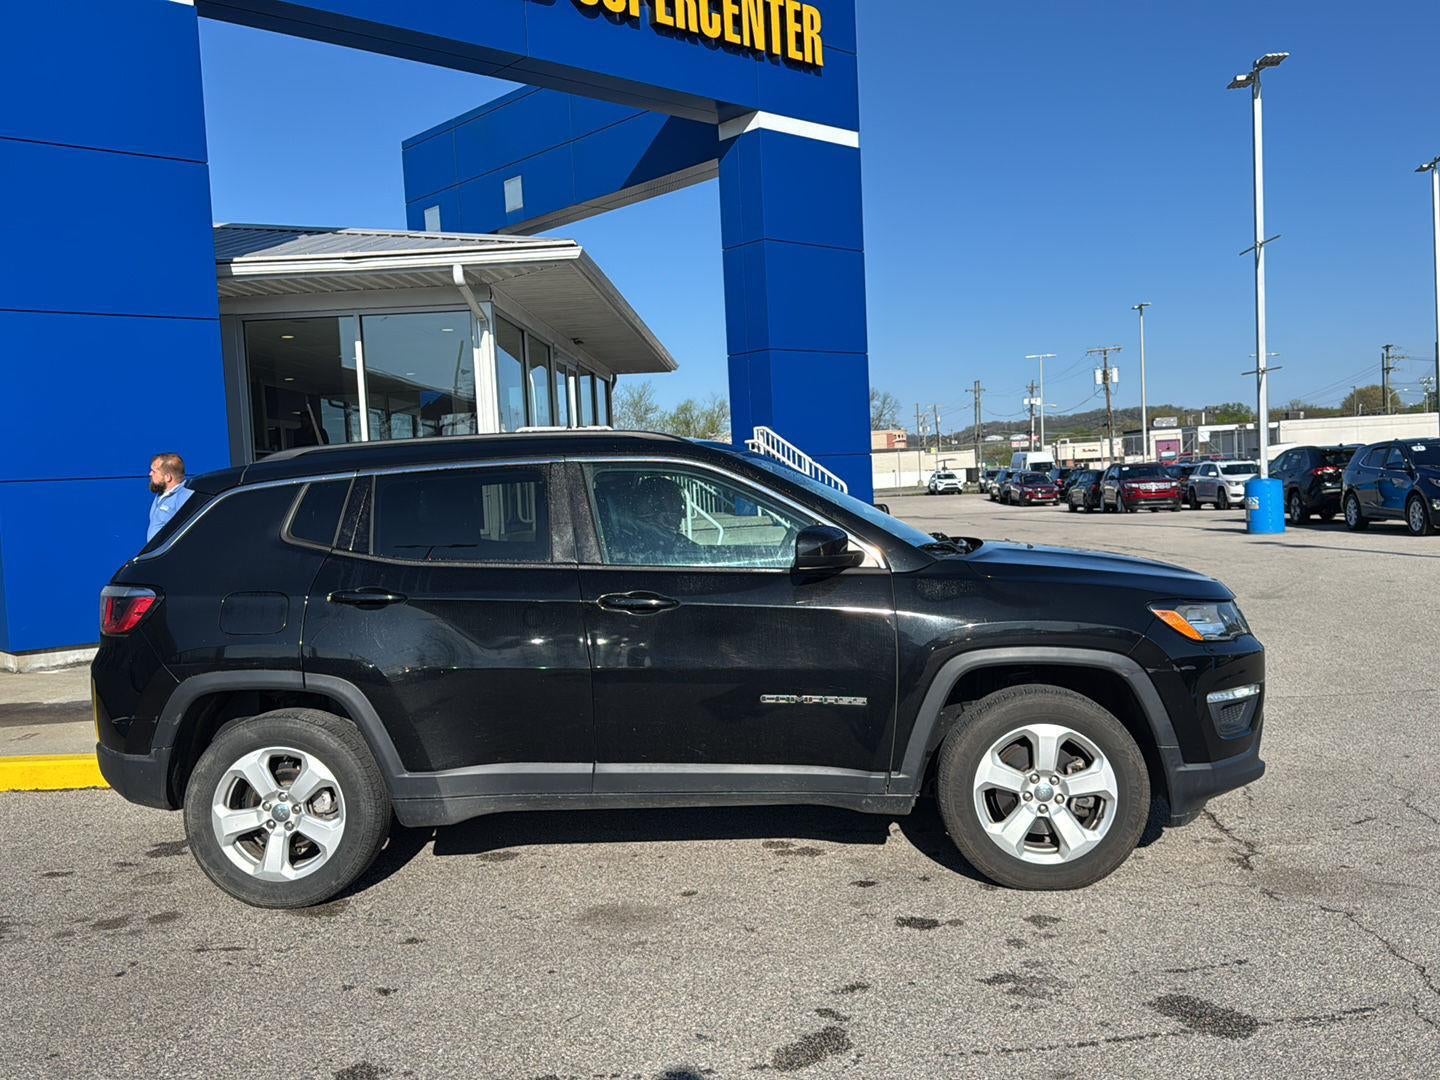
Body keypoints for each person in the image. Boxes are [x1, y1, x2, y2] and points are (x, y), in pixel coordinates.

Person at [147, 452, 193, 541]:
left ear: (168, 477)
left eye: (154, 471)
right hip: (157, 554)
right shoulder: (161, 494)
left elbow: (187, 533)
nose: (150, 474)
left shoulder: (185, 496)